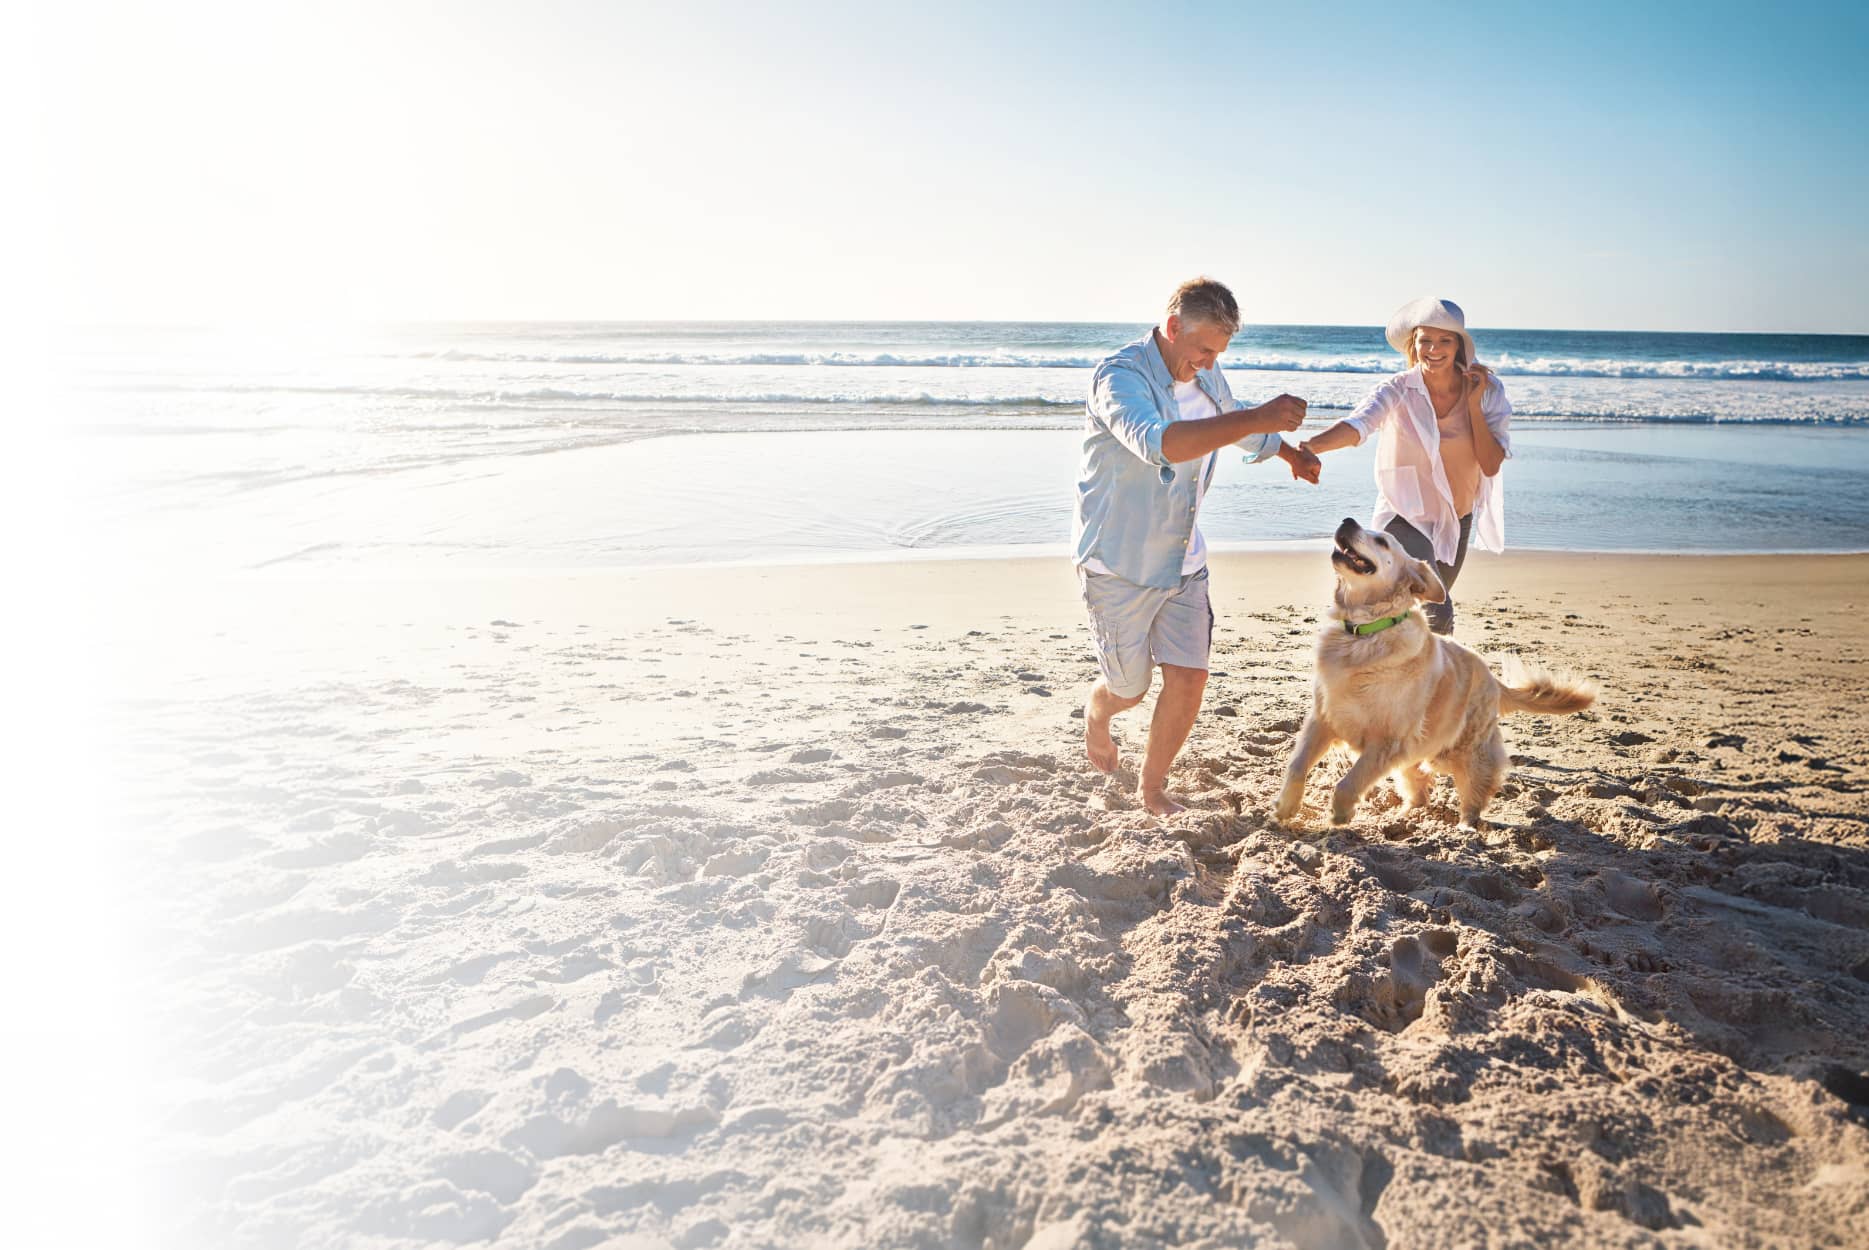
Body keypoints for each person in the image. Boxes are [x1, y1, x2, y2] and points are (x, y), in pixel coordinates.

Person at [1074, 277, 1321, 815]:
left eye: (1220, 352)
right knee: (1129, 691)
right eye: (1204, 349)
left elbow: (1232, 425)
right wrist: (1258, 416)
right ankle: (1098, 711)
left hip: (1184, 557)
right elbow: (1160, 444)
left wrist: (1287, 453)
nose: (1210, 362)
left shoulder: (1207, 375)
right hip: (1119, 563)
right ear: (1172, 328)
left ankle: (1152, 788)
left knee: (1189, 679)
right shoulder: (1119, 379)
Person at [1299, 297, 1512, 634]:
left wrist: (1473, 405)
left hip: (1457, 518)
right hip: (1405, 515)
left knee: (1416, 616)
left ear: (1458, 345)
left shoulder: (1488, 393)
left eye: (1445, 340)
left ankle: (1398, 674)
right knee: (1436, 613)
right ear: (1413, 343)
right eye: (1425, 339)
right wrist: (1311, 447)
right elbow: (1359, 425)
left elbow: (1490, 463)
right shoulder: (1398, 389)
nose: (1434, 349)